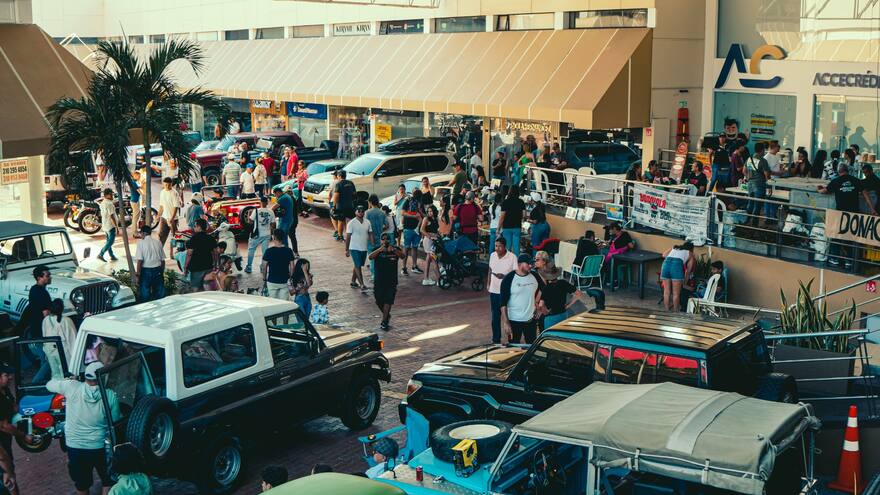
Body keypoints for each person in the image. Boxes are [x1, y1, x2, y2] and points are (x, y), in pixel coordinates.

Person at [48, 362, 120, 495]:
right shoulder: (110, 395)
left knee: (82, 484)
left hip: (75, 446)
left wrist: (67, 381)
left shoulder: (72, 387)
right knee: (108, 480)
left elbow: (49, 385)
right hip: (99, 446)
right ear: (102, 376)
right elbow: (115, 422)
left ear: (85, 377)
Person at [499, 254, 544, 344]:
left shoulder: (535, 276)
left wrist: (540, 306)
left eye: (531, 263)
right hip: (514, 320)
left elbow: (544, 289)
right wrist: (506, 322)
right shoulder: (509, 279)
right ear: (519, 264)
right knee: (513, 347)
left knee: (531, 345)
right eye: (528, 264)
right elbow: (503, 303)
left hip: (530, 320)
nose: (531, 266)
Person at [370, 233, 404, 330]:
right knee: (378, 300)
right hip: (379, 280)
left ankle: (384, 321)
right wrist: (380, 250)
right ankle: (386, 315)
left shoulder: (395, 249)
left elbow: (403, 256)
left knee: (388, 300)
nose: (385, 241)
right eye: (383, 239)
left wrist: (394, 250)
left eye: (387, 239)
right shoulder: (377, 249)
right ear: (381, 241)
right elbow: (370, 257)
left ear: (391, 240)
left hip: (391, 280)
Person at [488, 237, 517, 344]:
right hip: (494, 291)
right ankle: (496, 339)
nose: (497, 248)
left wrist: (504, 277)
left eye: (500, 246)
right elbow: (490, 269)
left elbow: (515, 274)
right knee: (495, 316)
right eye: (496, 246)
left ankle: (511, 338)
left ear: (505, 246)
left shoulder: (512, 257)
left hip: (506, 292)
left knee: (508, 316)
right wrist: (488, 283)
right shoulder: (492, 255)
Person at [538, 263, 583, 329]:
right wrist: (568, 305)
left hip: (551, 317)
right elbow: (579, 293)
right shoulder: (563, 283)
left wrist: (545, 312)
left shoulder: (546, 288)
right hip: (563, 314)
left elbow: (541, 305)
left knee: (550, 337)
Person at [0, 363, 22, 495]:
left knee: (10, 475)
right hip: (1, 449)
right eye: (6, 375)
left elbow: (14, 407)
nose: (10, 378)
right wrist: (23, 435)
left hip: (5, 444)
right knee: (9, 478)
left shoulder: (5, 391)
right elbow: (3, 426)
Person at [42, 299, 76, 379]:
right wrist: (75, 358)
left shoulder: (46, 320)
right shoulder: (67, 321)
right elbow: (72, 341)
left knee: (56, 375)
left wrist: (46, 353)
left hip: (50, 351)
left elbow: (44, 337)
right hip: (64, 352)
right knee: (67, 377)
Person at [184, 218, 218, 292]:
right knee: (208, 288)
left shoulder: (193, 239)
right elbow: (215, 252)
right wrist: (215, 264)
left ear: (199, 227)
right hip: (208, 267)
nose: (194, 228)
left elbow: (189, 254)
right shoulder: (210, 238)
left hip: (197, 268)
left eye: (195, 226)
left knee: (195, 288)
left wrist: (185, 267)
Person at [345, 205, 374, 291]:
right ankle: (362, 284)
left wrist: (372, 244)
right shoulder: (351, 223)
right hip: (354, 248)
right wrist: (346, 249)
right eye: (359, 211)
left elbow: (370, 233)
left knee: (358, 265)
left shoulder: (367, 222)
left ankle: (353, 281)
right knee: (358, 265)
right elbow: (348, 236)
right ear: (355, 212)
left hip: (363, 247)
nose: (361, 213)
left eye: (362, 211)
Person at [261, 229, 296, 300]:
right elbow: (292, 267)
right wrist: (291, 278)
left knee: (272, 303)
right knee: (283, 304)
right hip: (284, 281)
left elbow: (264, 267)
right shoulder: (288, 251)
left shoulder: (269, 251)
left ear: (274, 237)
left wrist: (264, 279)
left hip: (272, 281)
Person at [134, 225, 165, 302]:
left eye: (140, 233)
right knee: (159, 295)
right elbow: (163, 260)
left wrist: (138, 274)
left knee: (145, 295)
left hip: (146, 271)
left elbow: (140, 261)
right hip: (157, 270)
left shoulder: (141, 243)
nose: (140, 235)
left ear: (144, 233)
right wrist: (161, 271)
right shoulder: (158, 242)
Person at [661, 241, 694, 312]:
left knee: (666, 291)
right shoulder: (690, 253)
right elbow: (688, 271)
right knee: (676, 293)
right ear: (691, 249)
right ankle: (676, 313)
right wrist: (684, 283)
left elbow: (664, 255)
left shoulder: (675, 247)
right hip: (676, 266)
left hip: (666, 264)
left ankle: (667, 311)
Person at [245, 197, 276, 273]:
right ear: (267, 202)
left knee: (251, 250)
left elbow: (250, 222)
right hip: (267, 234)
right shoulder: (271, 212)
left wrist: (249, 214)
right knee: (265, 252)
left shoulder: (256, 211)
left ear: (260, 202)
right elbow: (273, 225)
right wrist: (271, 233)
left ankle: (249, 267)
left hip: (257, 234)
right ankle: (263, 267)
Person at [745, 143, 771, 226]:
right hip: (759, 184)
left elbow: (743, 170)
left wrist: (748, 177)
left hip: (750, 184)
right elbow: (767, 175)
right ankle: (754, 225)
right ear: (762, 150)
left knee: (750, 203)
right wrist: (769, 186)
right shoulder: (763, 160)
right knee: (757, 205)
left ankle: (747, 221)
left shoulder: (749, 158)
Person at [400, 189, 424, 275]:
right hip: (408, 228)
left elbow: (423, 214)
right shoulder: (408, 200)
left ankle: (414, 266)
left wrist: (420, 212)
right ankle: (404, 268)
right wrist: (414, 216)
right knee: (406, 248)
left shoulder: (419, 203)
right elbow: (402, 212)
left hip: (417, 229)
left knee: (414, 247)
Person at [497, 185, 525, 255]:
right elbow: (524, 215)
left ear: (509, 192)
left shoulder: (505, 202)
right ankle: (517, 263)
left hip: (507, 227)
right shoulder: (521, 202)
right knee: (516, 247)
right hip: (517, 226)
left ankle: (507, 263)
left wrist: (498, 228)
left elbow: (502, 217)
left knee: (507, 247)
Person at [365, 195, 387, 280]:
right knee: (380, 256)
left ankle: (374, 275)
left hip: (370, 238)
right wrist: (381, 228)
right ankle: (380, 274)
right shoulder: (382, 212)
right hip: (380, 237)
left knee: (372, 258)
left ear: (370, 202)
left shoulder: (367, 212)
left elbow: (365, 225)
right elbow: (387, 225)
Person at [27, 265, 52, 339]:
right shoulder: (41, 292)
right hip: (40, 329)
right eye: (47, 276)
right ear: (39, 278)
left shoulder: (34, 289)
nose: (50, 277)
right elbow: (46, 313)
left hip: (36, 327)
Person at [157, 177, 180, 257]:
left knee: (174, 237)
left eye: (169, 184)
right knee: (161, 235)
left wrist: (172, 218)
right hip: (164, 217)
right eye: (165, 184)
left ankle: (172, 253)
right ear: (163, 184)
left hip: (172, 219)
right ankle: (159, 252)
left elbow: (176, 207)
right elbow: (161, 206)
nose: (167, 186)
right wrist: (158, 215)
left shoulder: (174, 193)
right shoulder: (162, 192)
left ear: (171, 184)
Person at [271, 186, 298, 253]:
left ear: (278, 192)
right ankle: (285, 249)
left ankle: (285, 250)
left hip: (285, 220)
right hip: (287, 219)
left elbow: (273, 208)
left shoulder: (283, 198)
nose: (276, 196)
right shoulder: (286, 196)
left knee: (282, 235)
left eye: (275, 195)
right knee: (284, 235)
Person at [419, 205, 441, 286]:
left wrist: (438, 236)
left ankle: (426, 278)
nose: (429, 213)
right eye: (428, 211)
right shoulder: (426, 219)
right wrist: (430, 236)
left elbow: (436, 230)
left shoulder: (435, 219)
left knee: (428, 259)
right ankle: (439, 279)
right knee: (434, 260)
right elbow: (421, 230)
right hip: (429, 241)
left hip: (433, 240)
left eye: (431, 211)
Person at [332, 169, 357, 241]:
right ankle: (351, 235)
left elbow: (336, 195)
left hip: (341, 206)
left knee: (341, 221)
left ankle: (340, 236)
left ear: (339, 176)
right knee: (350, 221)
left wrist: (334, 206)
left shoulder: (338, 184)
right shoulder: (351, 183)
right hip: (350, 205)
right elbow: (354, 194)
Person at [96, 188, 119, 262]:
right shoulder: (109, 204)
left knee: (108, 242)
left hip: (105, 225)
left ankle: (112, 255)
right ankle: (101, 254)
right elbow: (111, 216)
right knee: (111, 242)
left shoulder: (103, 202)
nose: (112, 195)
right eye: (111, 194)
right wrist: (116, 227)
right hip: (110, 226)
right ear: (107, 195)